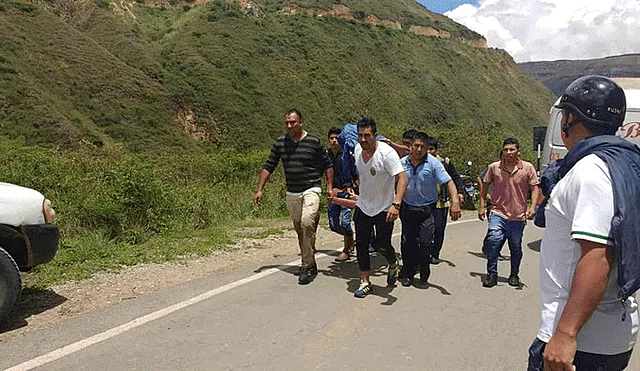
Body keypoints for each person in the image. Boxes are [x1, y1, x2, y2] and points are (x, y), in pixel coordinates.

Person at [528, 75, 640, 371]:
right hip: (608, 333)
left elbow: (598, 256)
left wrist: (565, 333)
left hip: (584, 341)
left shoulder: (591, 171)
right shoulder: (626, 163)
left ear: (568, 119)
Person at [254, 109, 334, 285]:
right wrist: (260, 189)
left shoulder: (313, 142)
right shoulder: (280, 143)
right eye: (287, 123)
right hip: (292, 191)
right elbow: (269, 165)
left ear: (301, 122)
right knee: (301, 229)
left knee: (306, 222)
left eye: (293, 122)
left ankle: (305, 266)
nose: (290, 126)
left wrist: (329, 186)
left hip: (311, 189)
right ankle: (311, 259)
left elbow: (328, 164)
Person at [350, 117, 407, 298]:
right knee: (361, 243)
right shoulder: (358, 150)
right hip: (363, 205)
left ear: (375, 135)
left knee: (381, 244)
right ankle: (365, 281)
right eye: (360, 135)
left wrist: (396, 204)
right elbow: (362, 174)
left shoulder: (387, 154)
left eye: (367, 135)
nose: (363, 139)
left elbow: (402, 179)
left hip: (384, 207)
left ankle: (392, 263)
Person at [398, 132, 461, 287]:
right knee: (407, 241)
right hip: (407, 208)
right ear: (410, 146)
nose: (419, 149)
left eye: (423, 147)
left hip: (426, 210)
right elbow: (392, 181)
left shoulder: (433, 163)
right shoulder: (401, 163)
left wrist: (455, 202)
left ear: (427, 148)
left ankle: (424, 267)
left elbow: (449, 182)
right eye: (416, 146)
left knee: (426, 242)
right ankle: (407, 272)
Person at [478, 137, 540, 288]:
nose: (508, 152)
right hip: (498, 212)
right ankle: (492, 274)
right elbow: (484, 184)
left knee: (515, 246)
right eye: (506, 150)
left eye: (512, 149)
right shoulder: (494, 167)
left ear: (518, 151)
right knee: (494, 240)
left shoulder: (527, 168)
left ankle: (514, 275)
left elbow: (535, 188)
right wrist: (481, 205)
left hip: (518, 216)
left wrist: (532, 207)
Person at [425, 136, 464, 265]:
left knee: (439, 228)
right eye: (427, 149)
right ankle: (424, 252)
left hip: (441, 202)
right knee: (425, 229)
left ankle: (435, 254)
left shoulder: (444, 162)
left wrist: (459, 193)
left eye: (432, 149)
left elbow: (455, 177)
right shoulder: (419, 162)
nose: (429, 152)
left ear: (436, 150)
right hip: (425, 202)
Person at [326, 127, 355, 262]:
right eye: (331, 138)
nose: (334, 141)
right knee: (333, 225)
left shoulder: (348, 154)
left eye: (337, 138)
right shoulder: (326, 155)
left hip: (346, 193)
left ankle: (346, 249)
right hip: (333, 193)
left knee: (345, 223)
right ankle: (351, 238)